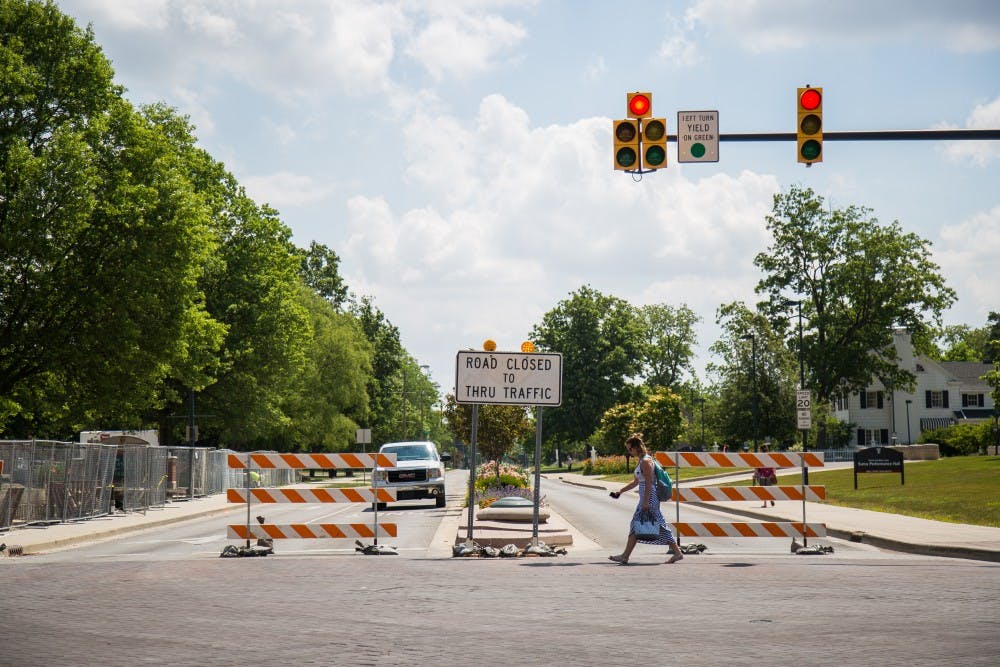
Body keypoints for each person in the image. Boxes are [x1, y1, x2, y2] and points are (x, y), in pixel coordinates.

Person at [608, 433, 684, 565]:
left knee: (651, 524)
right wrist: (620, 491)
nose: (629, 451)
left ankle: (625, 556)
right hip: (645, 496)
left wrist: (645, 501)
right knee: (646, 524)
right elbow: (636, 482)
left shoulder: (645, 461)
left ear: (636, 447)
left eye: (629, 449)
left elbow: (649, 482)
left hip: (649, 497)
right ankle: (625, 556)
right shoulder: (642, 460)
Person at [754, 443, 777, 507]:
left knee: (763, 489)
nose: (759, 451)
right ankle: (771, 499)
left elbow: (757, 467)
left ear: (761, 450)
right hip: (769, 474)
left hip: (762, 474)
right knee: (769, 488)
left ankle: (765, 504)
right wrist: (774, 473)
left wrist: (755, 474)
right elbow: (773, 466)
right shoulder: (770, 456)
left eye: (759, 450)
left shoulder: (759, 457)